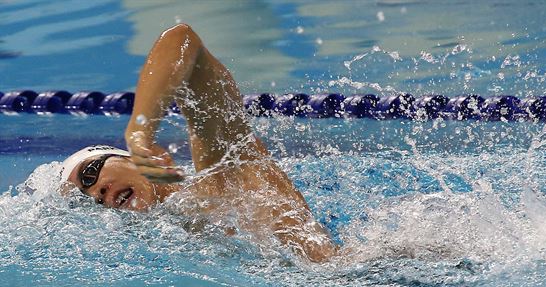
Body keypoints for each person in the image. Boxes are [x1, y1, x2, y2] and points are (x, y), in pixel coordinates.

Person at [58, 24, 337, 262]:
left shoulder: (224, 173)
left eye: (89, 174)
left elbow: (181, 38)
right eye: (89, 199)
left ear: (126, 159)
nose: (96, 192)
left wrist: (140, 133)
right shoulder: (179, 238)